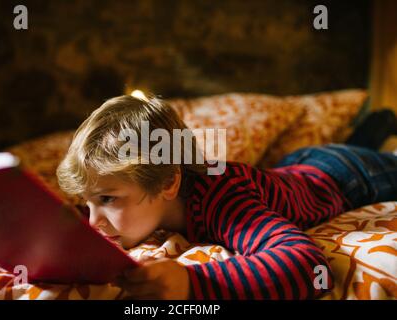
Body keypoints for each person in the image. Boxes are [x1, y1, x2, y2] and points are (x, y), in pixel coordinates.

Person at [56, 94, 397, 300]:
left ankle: (379, 124)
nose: (93, 221)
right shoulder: (154, 184)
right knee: (363, 137)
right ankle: (375, 125)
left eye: (108, 200)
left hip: (345, 173)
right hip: (293, 164)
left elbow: (307, 264)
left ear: (168, 185)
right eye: (88, 203)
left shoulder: (223, 199)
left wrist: (193, 283)